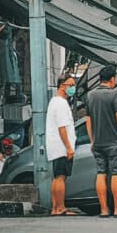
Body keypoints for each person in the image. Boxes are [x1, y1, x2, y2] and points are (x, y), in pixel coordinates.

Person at [85, 64, 117, 218]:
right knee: (116, 174)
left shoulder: (91, 95)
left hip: (98, 143)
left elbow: (88, 120)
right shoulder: (114, 95)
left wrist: (92, 140)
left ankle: (104, 210)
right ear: (112, 79)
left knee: (101, 173)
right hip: (113, 143)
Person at [46, 74, 77, 216]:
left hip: (56, 146)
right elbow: (62, 128)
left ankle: (55, 207)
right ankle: (60, 207)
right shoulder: (60, 104)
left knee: (57, 176)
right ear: (62, 86)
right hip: (61, 147)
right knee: (61, 177)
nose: (73, 88)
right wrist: (69, 147)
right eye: (71, 85)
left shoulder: (55, 102)